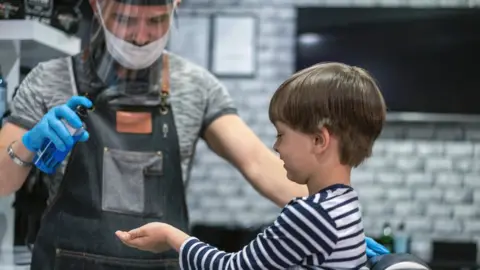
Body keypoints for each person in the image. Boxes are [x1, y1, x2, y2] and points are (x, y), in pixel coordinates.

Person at [0, 0, 388, 269]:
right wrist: (27, 145)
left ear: (176, 7)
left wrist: (333, 227)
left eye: (155, 21)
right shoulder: (48, 80)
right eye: (125, 18)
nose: (139, 35)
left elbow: (259, 163)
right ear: (98, 7)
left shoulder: (196, 86)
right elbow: (3, 181)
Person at [116, 62, 387, 269]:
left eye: (282, 135)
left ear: (319, 140)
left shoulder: (308, 216)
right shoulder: (345, 205)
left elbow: (231, 268)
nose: (276, 146)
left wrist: (170, 236)